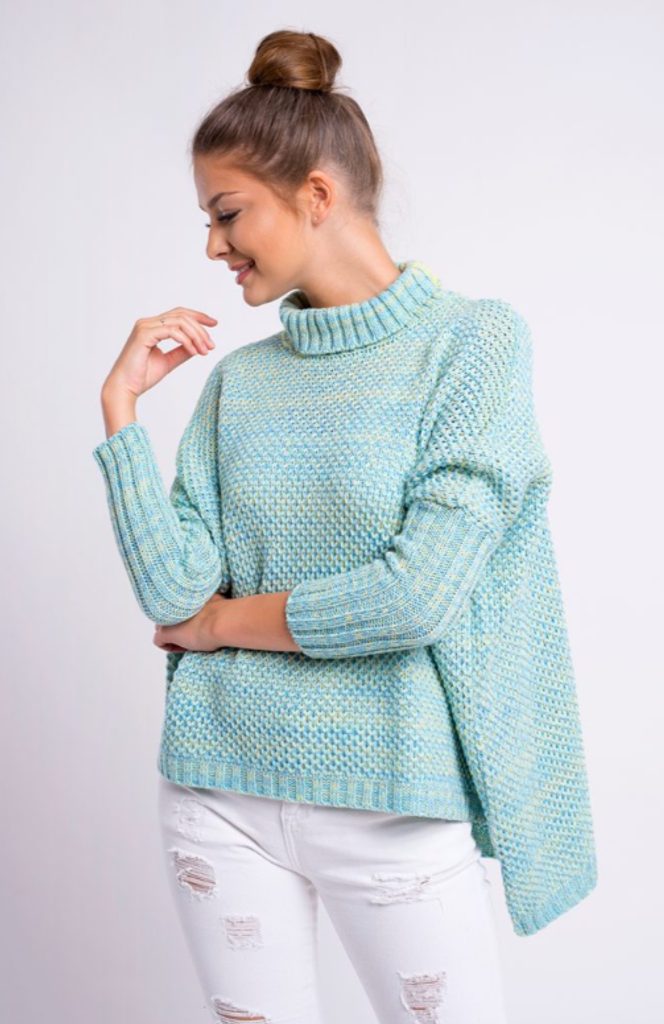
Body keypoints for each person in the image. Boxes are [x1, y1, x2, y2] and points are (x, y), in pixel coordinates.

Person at [92, 28, 598, 1024]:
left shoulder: (471, 346)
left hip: (393, 803)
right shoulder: (239, 384)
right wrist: (120, 413)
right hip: (216, 793)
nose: (212, 246)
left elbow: (414, 595)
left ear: (315, 195)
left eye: (227, 213)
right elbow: (171, 592)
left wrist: (222, 625)